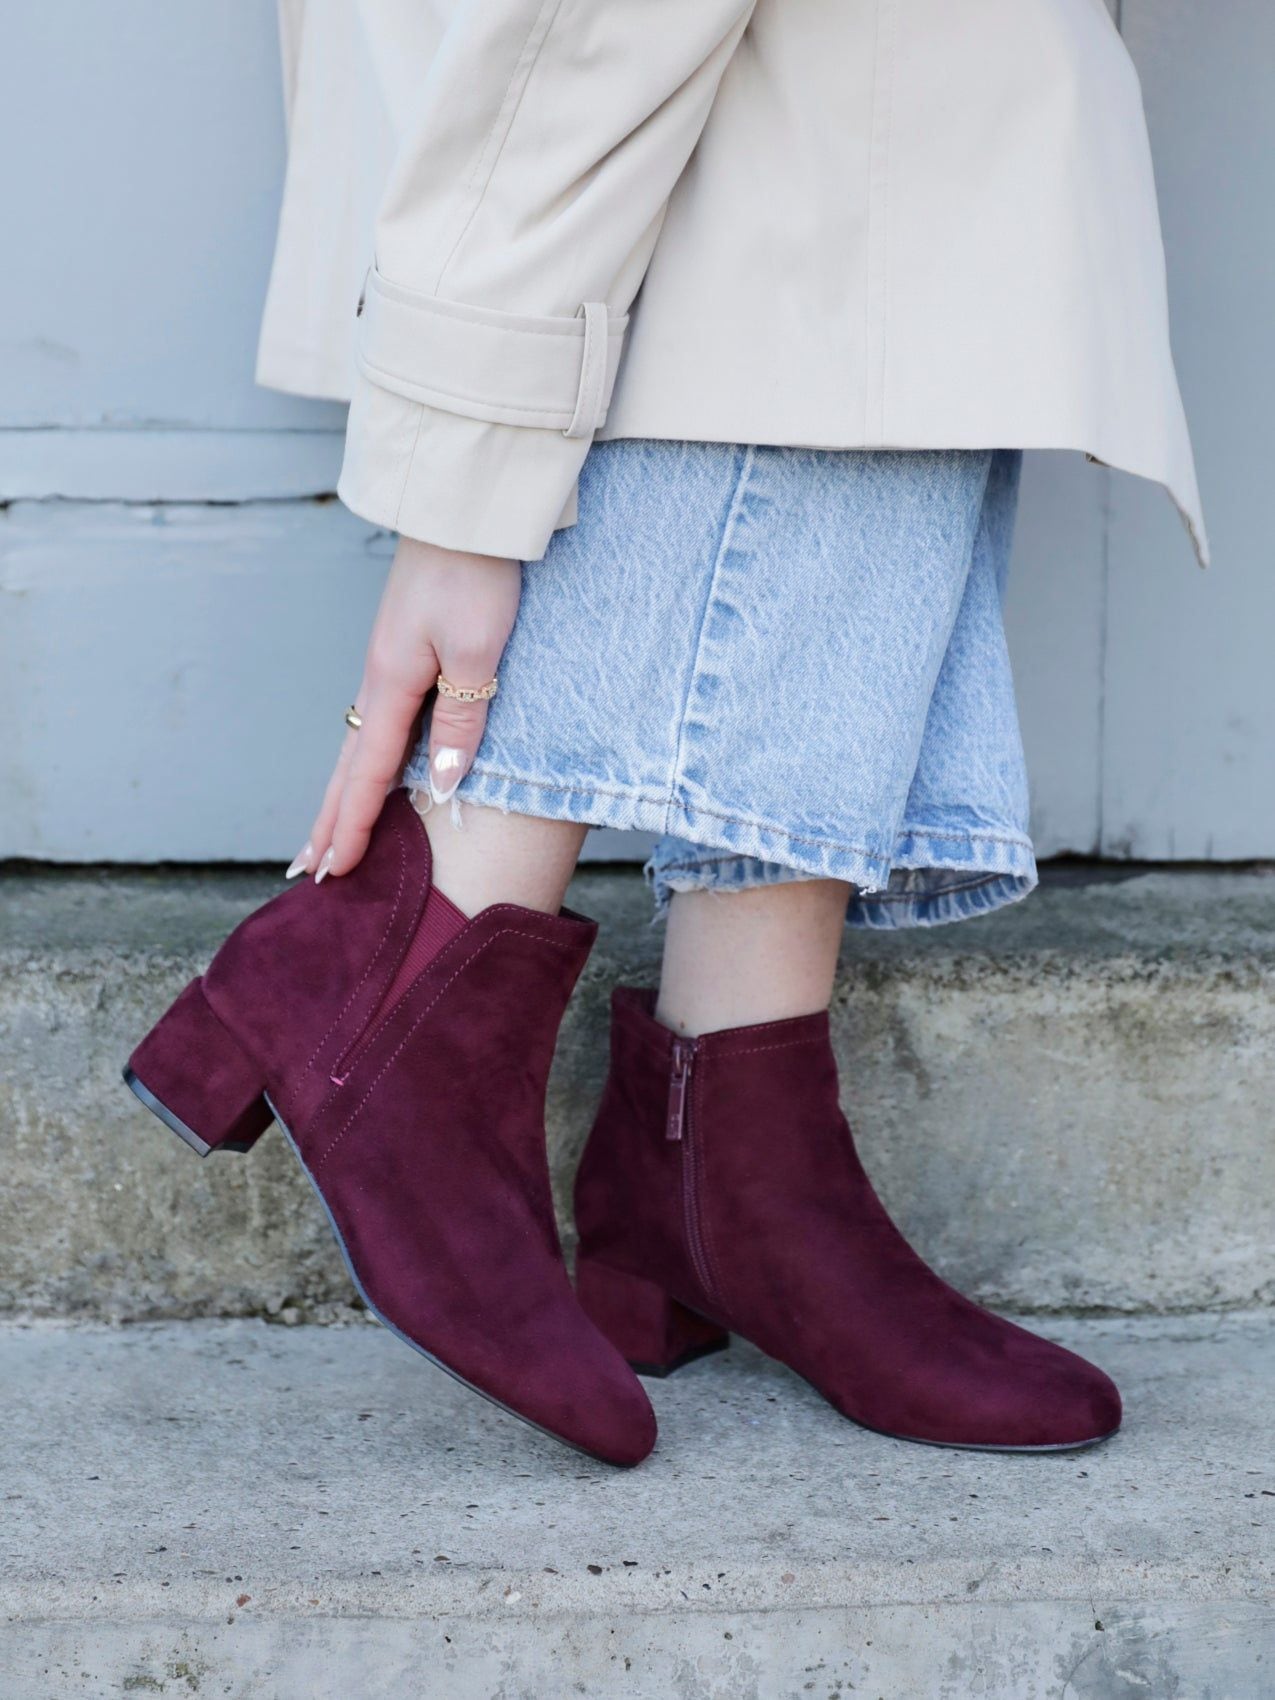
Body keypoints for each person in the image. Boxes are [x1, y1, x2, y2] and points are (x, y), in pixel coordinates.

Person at [125, 0, 1205, 1466]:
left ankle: (723, 1163)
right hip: (640, 130)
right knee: (818, 211)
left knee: (886, 254)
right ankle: (401, 975)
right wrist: (462, 485)